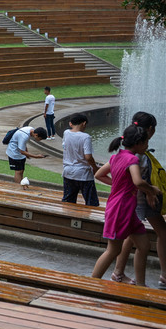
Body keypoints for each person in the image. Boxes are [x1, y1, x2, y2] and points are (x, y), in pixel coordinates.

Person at [90, 124, 159, 286]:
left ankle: (141, 286)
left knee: (144, 245)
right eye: (145, 143)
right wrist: (151, 190)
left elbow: (99, 174)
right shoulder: (132, 159)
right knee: (113, 250)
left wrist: (119, 185)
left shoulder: (116, 157)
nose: (147, 146)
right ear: (138, 143)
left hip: (128, 210)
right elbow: (138, 181)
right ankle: (90, 285)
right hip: (121, 209)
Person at [112, 112, 166, 288]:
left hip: (134, 201)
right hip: (142, 201)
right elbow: (138, 181)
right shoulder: (138, 154)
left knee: (132, 235)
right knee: (161, 234)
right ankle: (159, 277)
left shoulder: (129, 151)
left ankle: (118, 273)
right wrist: (150, 192)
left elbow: (104, 172)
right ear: (150, 129)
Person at [61, 114, 99, 206]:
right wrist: (95, 168)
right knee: (91, 202)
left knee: (68, 201)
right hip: (83, 173)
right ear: (84, 123)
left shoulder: (66, 133)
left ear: (71, 123)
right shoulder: (86, 137)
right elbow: (88, 157)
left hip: (68, 172)